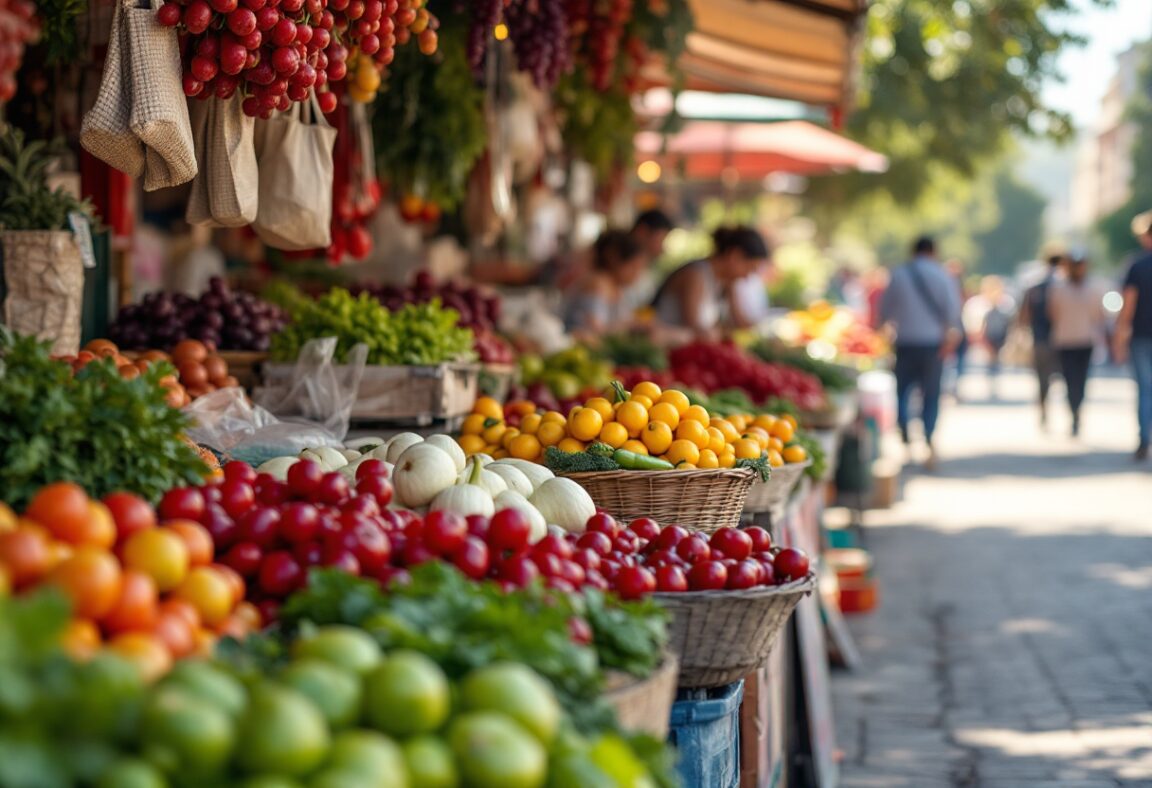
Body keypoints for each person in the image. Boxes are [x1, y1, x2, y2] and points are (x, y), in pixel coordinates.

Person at [878, 236, 962, 469]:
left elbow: (884, 312)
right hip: (932, 346)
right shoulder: (942, 275)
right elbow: (952, 313)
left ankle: (904, 432)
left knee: (903, 392)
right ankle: (928, 437)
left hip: (904, 343)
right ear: (933, 251)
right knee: (931, 395)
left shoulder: (898, 274)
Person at [651, 226, 770, 338]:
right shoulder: (695, 274)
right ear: (735, 256)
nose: (747, 277)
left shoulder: (723, 282)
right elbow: (695, 330)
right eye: (749, 269)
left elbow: (738, 323)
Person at [1048, 253, 1107, 437]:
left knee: (1080, 380)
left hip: (1084, 341)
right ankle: (1073, 410)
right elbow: (1053, 313)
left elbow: (1099, 315)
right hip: (1065, 341)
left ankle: (1077, 410)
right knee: (1069, 380)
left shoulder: (1092, 289)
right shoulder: (1059, 289)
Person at [1112, 211, 1152, 460]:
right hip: (1141, 336)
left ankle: (1144, 439)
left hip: (1141, 336)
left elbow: (1128, 305)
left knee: (1145, 388)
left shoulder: (1136, 266)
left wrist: (1118, 336)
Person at [562, 230, 647, 339]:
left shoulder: (615, 287)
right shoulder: (598, 283)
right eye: (633, 267)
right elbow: (594, 330)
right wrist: (631, 325)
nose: (637, 275)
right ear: (613, 258)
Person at [1018, 253, 1065, 428]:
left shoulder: (1034, 287)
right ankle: (1072, 412)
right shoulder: (1064, 286)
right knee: (1064, 377)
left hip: (1040, 339)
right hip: (1062, 340)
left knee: (1042, 378)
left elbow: (1023, 315)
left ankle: (1044, 408)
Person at [976, 276, 1016, 400]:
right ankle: (992, 385)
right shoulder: (984, 306)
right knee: (991, 362)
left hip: (1000, 336)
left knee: (996, 362)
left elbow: (1009, 323)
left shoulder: (1006, 304)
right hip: (990, 337)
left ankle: (994, 385)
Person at [943, 259, 970, 399]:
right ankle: (950, 387)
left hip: (953, 327)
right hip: (950, 327)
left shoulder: (953, 285)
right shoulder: (948, 285)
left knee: (953, 360)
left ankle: (951, 387)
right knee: (951, 361)